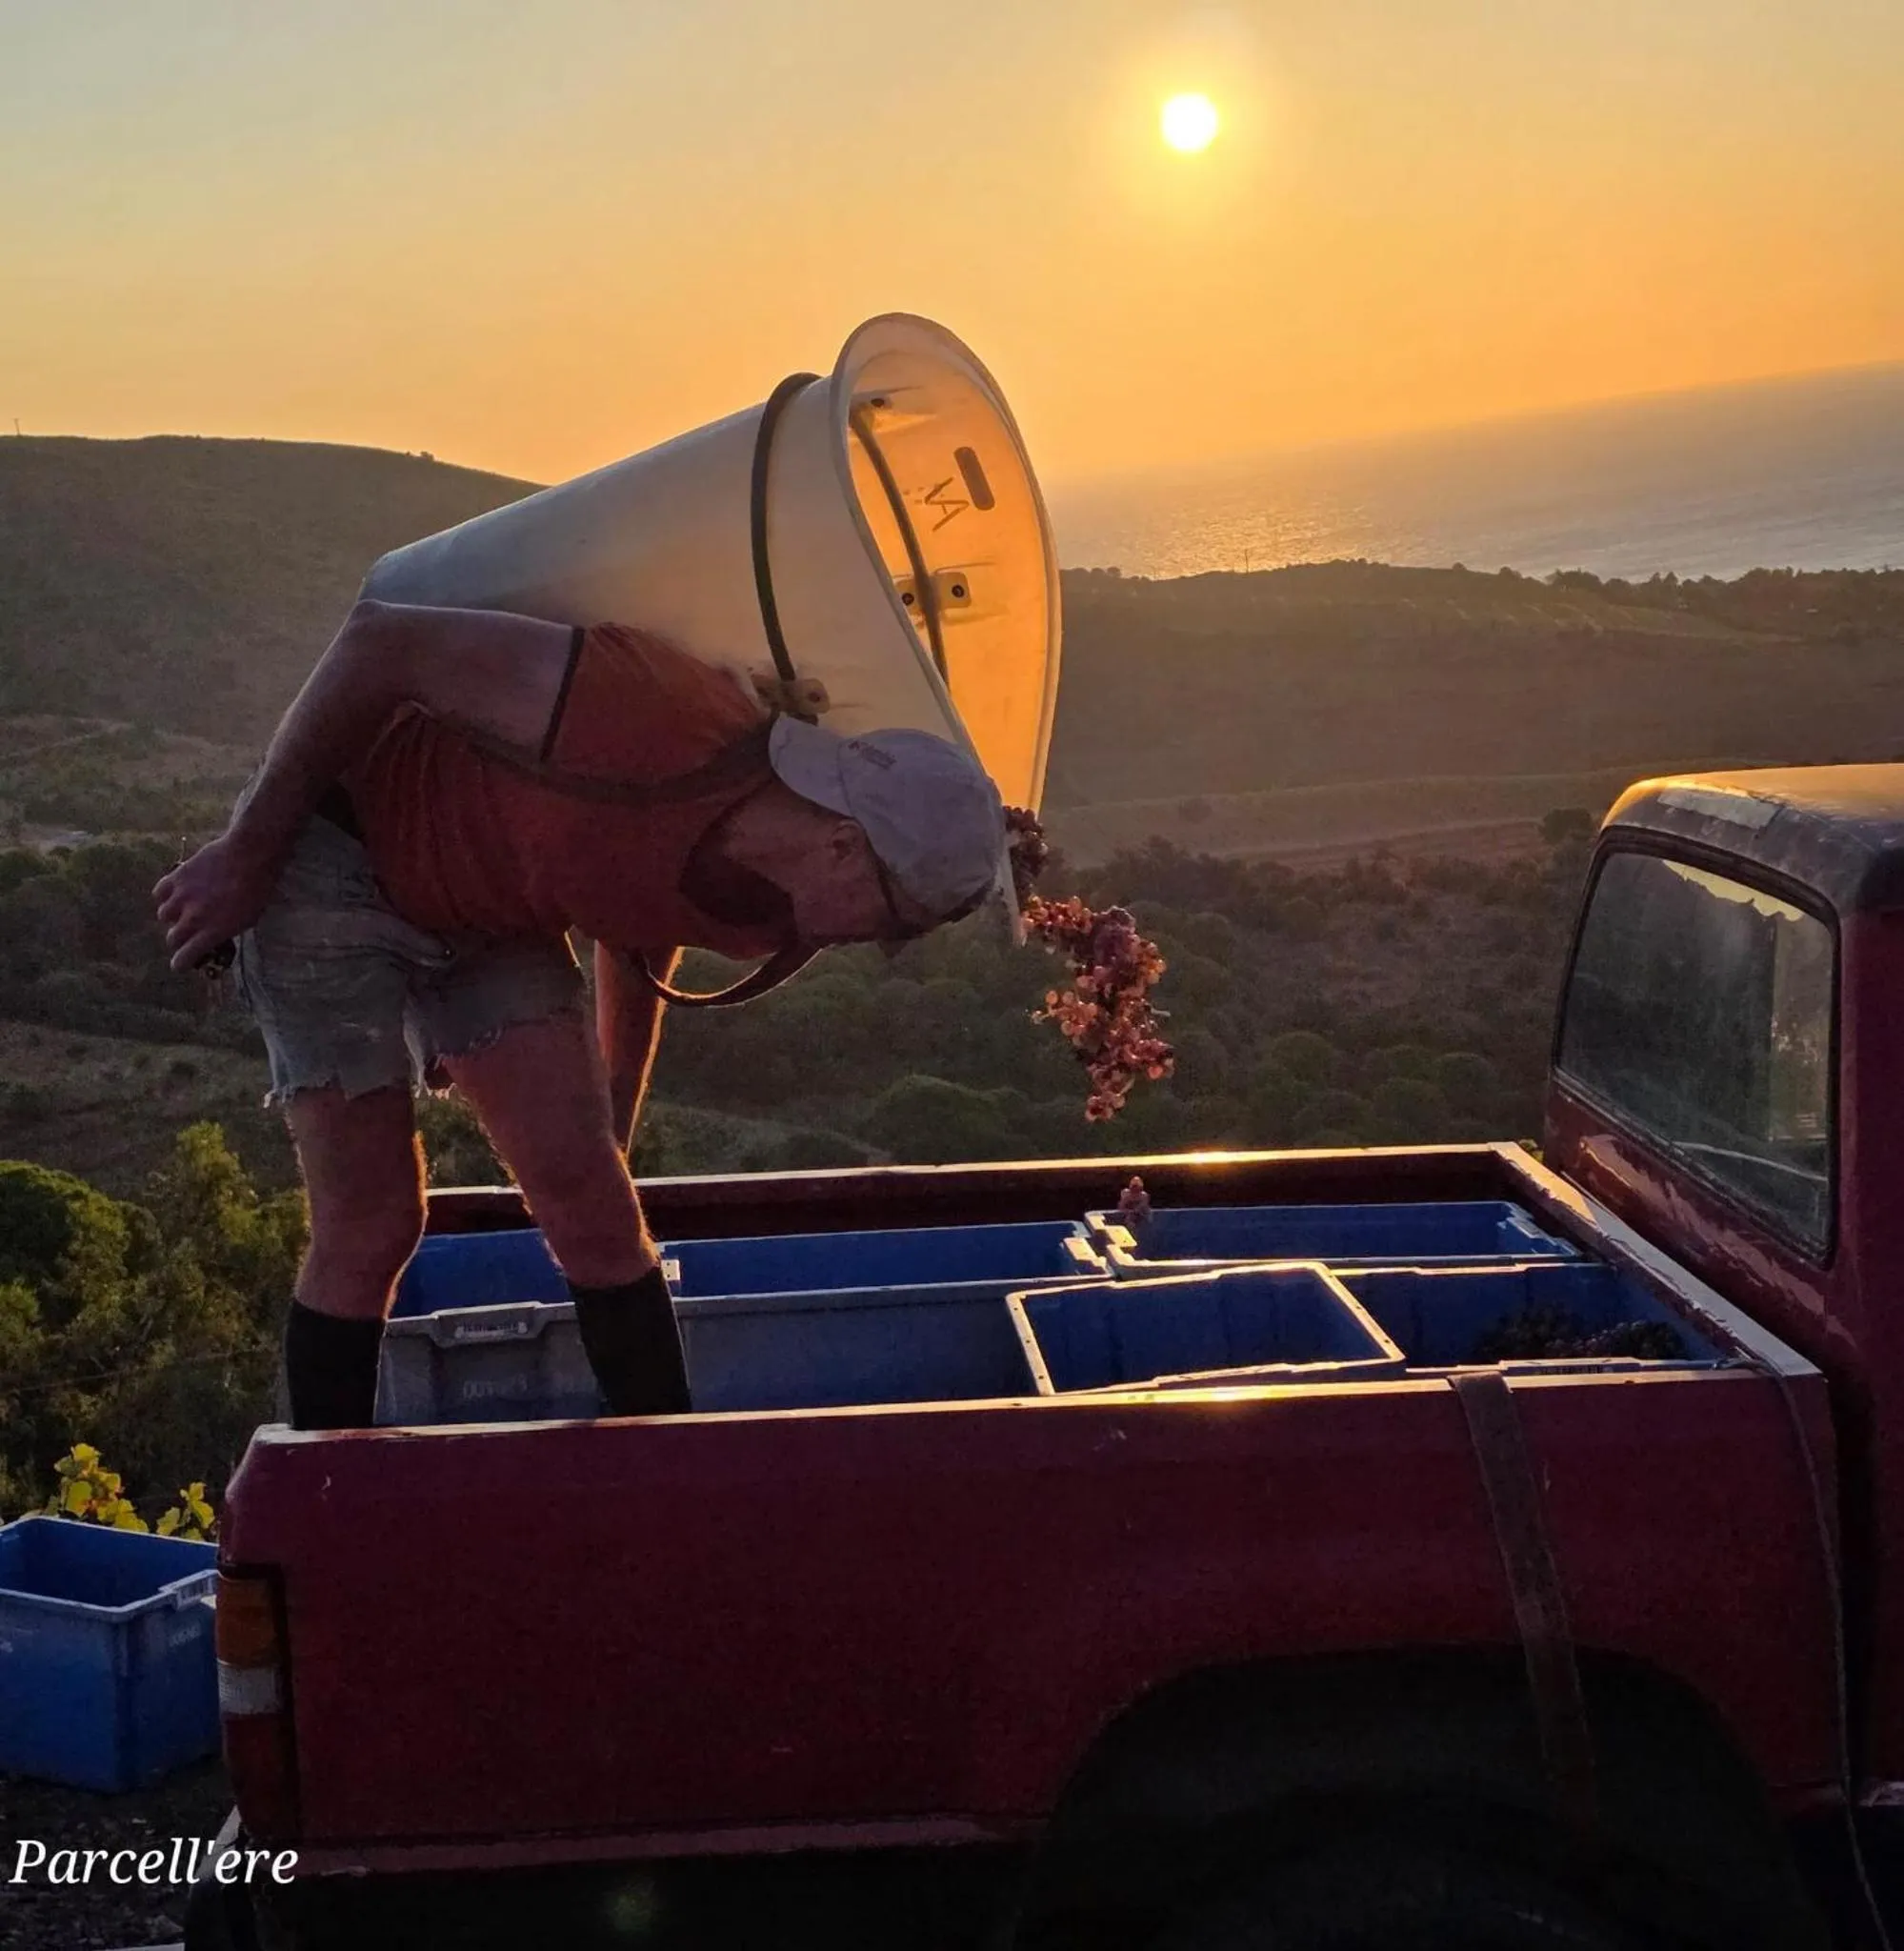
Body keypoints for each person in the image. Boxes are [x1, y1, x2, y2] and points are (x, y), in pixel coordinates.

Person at [153, 599, 1008, 1432]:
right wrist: (247, 857)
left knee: (596, 1206)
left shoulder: (766, 914)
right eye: (891, 918)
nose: (876, 943)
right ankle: (321, 1508)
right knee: (373, 1222)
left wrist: (612, 1128)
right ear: (842, 844)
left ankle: (664, 1475)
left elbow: (639, 925)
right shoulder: (651, 711)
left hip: (489, 916)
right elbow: (386, 641)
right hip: (331, 865)